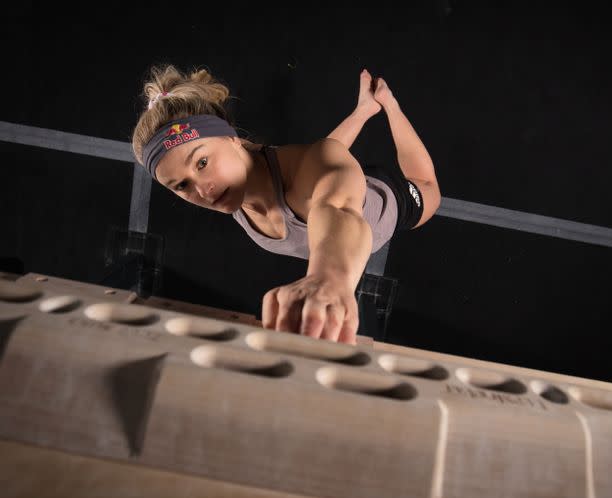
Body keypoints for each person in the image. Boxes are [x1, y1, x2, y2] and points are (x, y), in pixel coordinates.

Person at [131, 65, 441, 346]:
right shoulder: (232, 186)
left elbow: (338, 209)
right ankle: (364, 110)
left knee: (428, 188)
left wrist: (328, 277)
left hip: (390, 197)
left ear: (232, 138)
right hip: (325, 174)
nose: (202, 189)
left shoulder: (307, 172)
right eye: (181, 185)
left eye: (201, 162)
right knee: (325, 157)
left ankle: (388, 104)